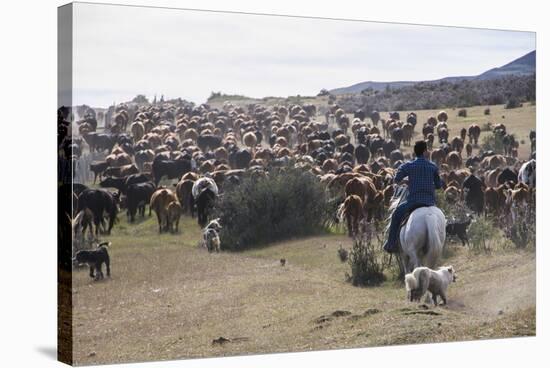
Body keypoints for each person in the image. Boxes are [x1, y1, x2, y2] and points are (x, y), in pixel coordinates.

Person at [383, 140, 443, 253]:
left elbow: (397, 179)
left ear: (415, 152)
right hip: (430, 202)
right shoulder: (433, 167)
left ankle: (391, 244)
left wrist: (406, 181)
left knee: (396, 215)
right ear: (425, 151)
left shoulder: (408, 166)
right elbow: (439, 186)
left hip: (413, 201)